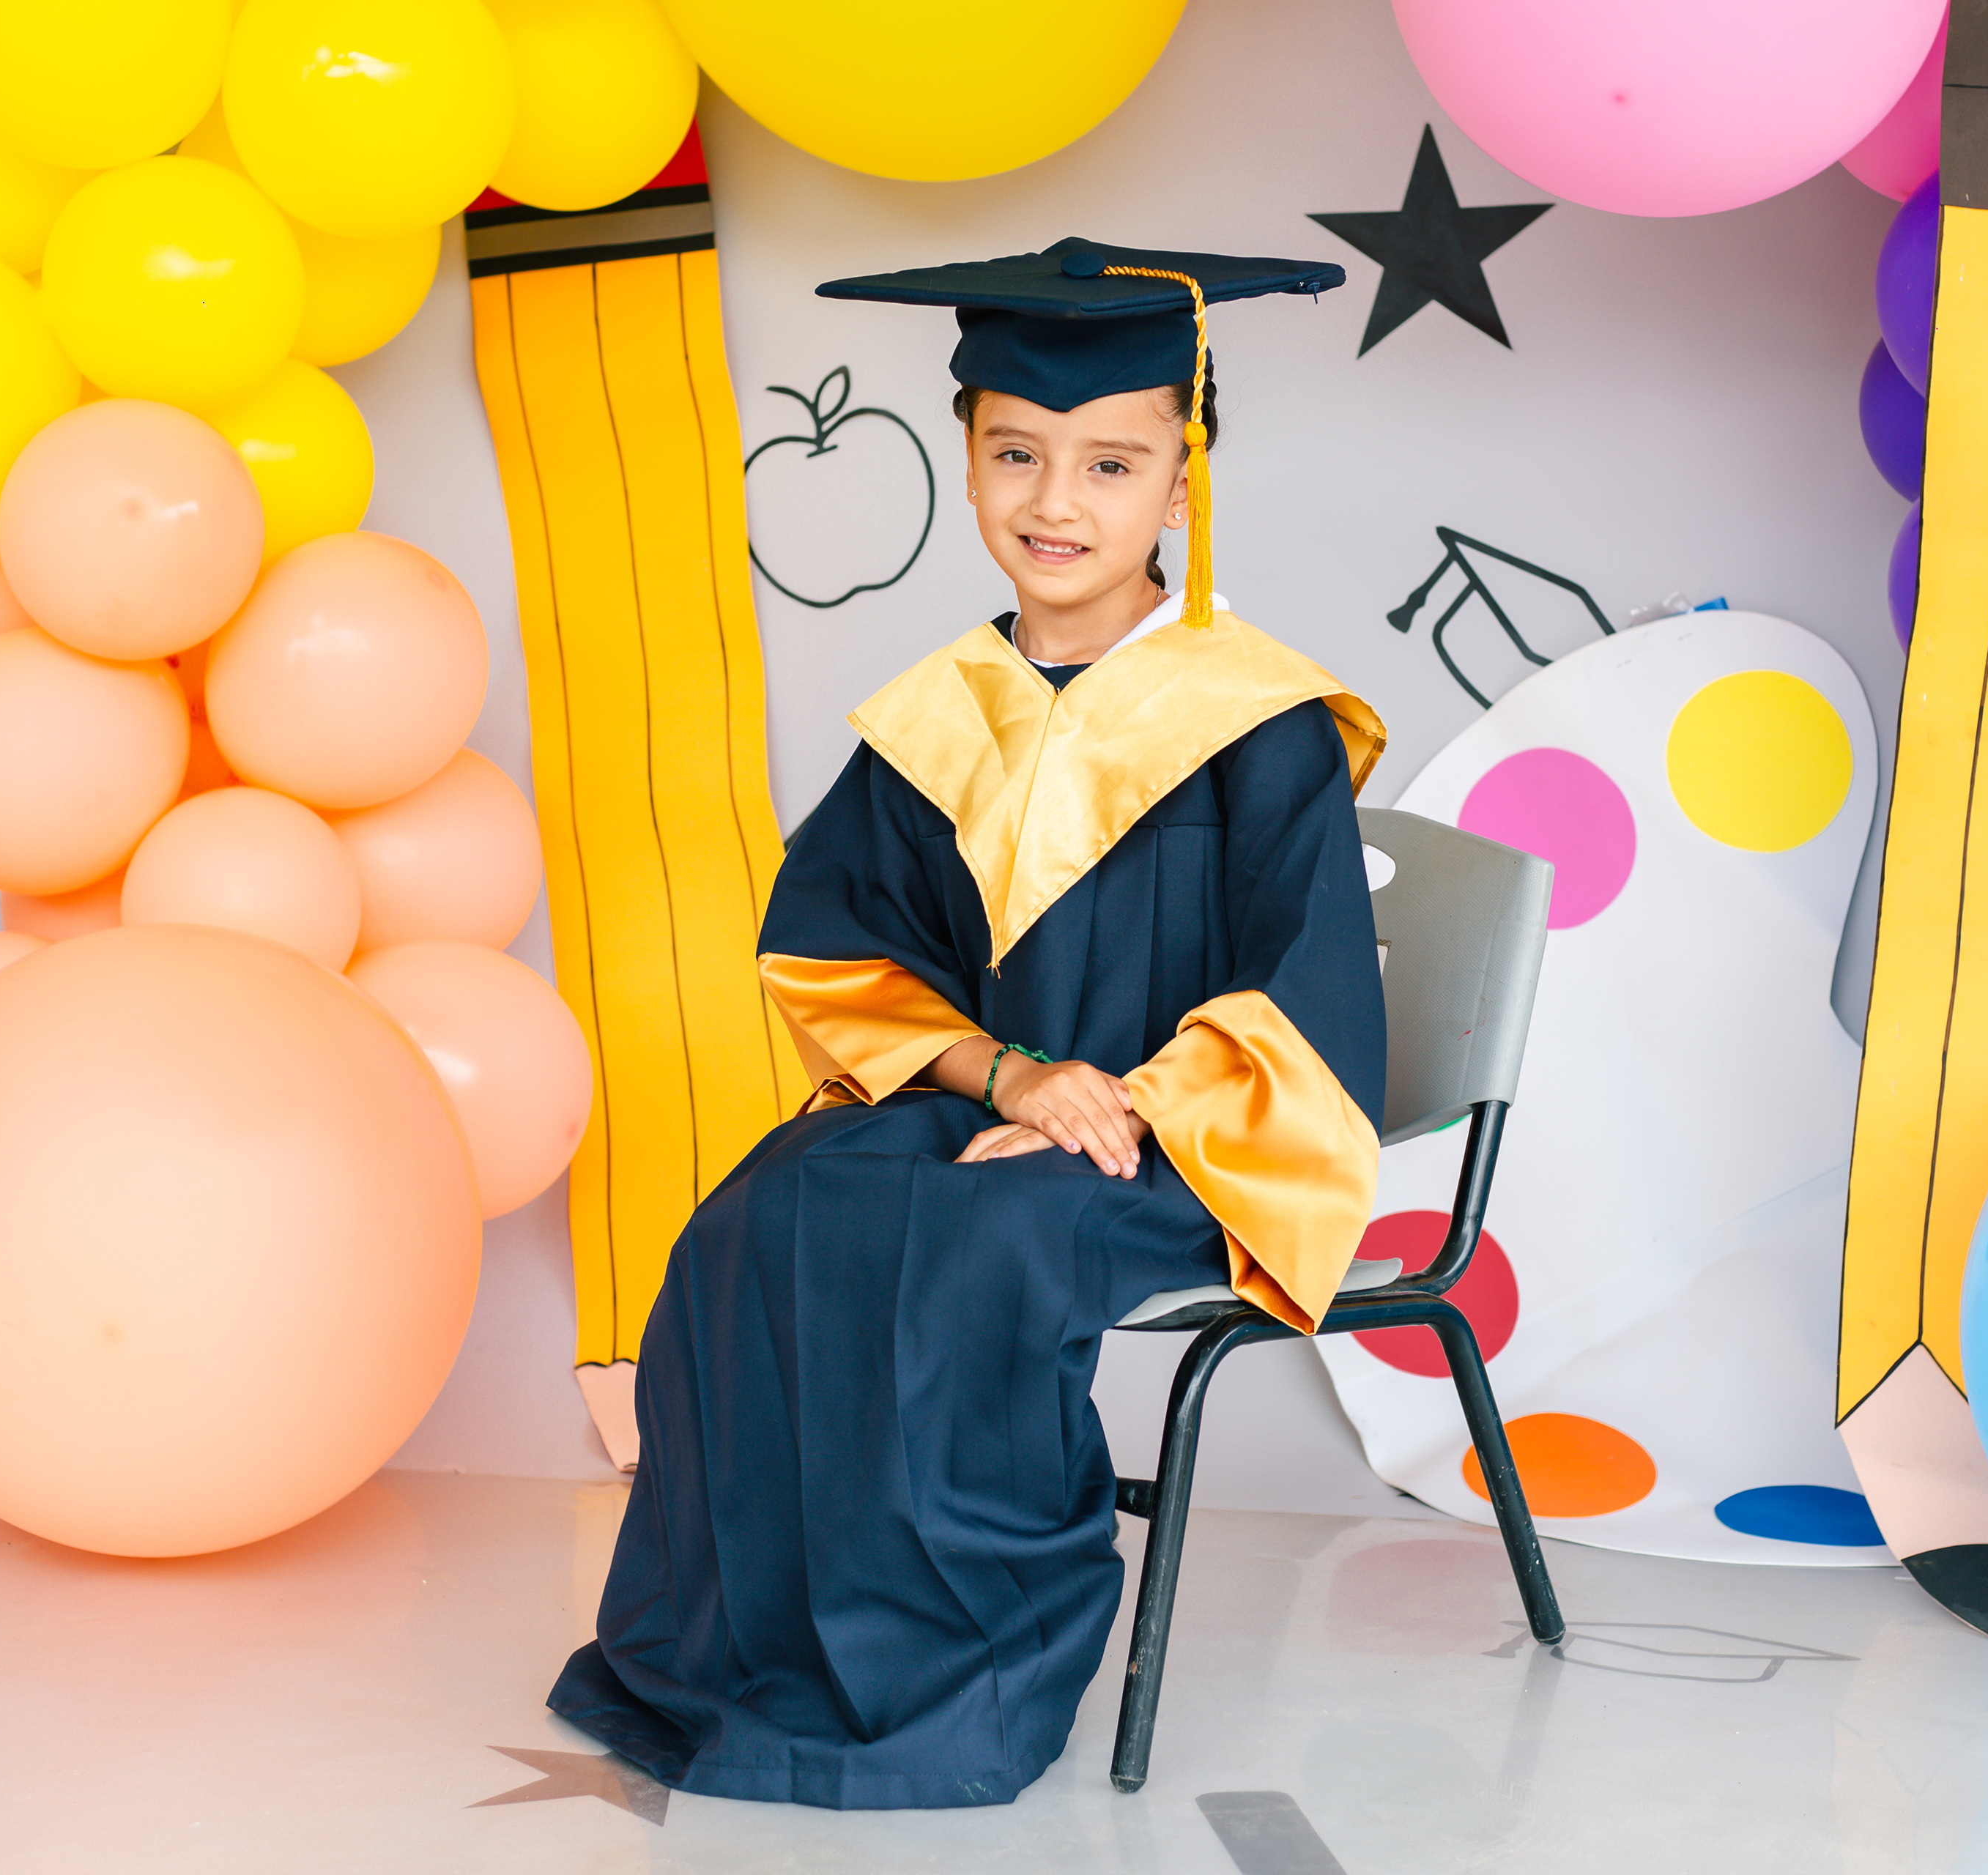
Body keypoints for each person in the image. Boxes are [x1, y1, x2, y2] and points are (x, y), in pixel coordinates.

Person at [550, 237, 1388, 1809]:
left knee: (977, 1245)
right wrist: (1008, 1076)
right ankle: (740, 1666)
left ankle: (958, 1695)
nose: (1055, 501)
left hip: (1186, 1143)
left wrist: (1110, 1104)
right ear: (967, 457)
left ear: (1183, 484)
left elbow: (1307, 1001)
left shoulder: (1255, 718)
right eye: (1016, 452)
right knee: (763, 1217)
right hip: (991, 1103)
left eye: (1111, 463)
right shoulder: (941, 713)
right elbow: (840, 949)